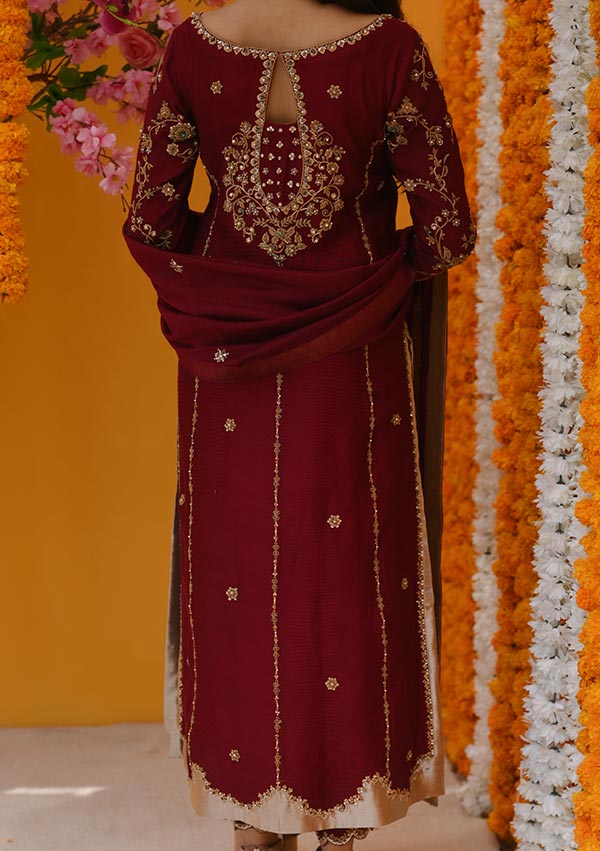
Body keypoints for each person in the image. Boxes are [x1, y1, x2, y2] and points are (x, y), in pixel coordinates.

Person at [122, 0, 476, 849]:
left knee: (238, 561)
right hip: (353, 349)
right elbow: (445, 230)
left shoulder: (194, 47)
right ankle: (344, 813)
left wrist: (230, 279)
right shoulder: (390, 49)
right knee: (346, 563)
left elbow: (150, 219)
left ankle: (254, 811)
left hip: (228, 350)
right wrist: (373, 275)